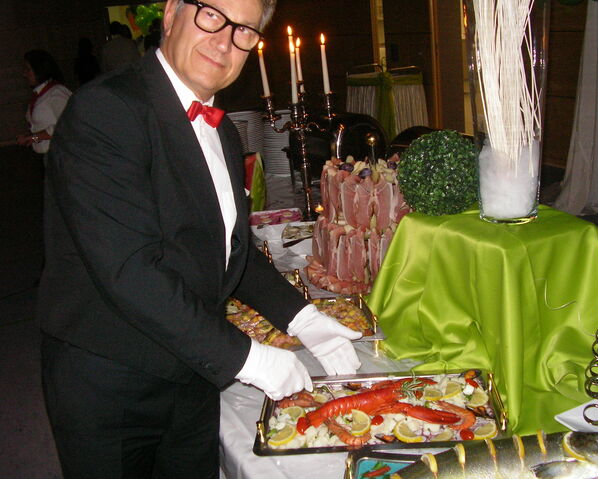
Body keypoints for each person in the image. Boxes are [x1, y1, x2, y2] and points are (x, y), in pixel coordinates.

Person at [39, 0, 362, 477]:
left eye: (244, 31)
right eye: (212, 14)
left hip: (192, 370)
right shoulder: (106, 109)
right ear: (172, 13)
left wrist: (304, 317)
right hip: (111, 377)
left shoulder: (223, 131)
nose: (224, 40)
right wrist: (248, 358)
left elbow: (229, 250)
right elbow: (129, 269)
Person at [16, 50, 72, 156]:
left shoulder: (56, 92)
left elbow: (67, 125)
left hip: (60, 154)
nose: (24, 74)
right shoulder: (39, 94)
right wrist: (30, 137)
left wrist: (35, 137)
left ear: (39, 70)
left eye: (28, 69)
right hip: (47, 155)